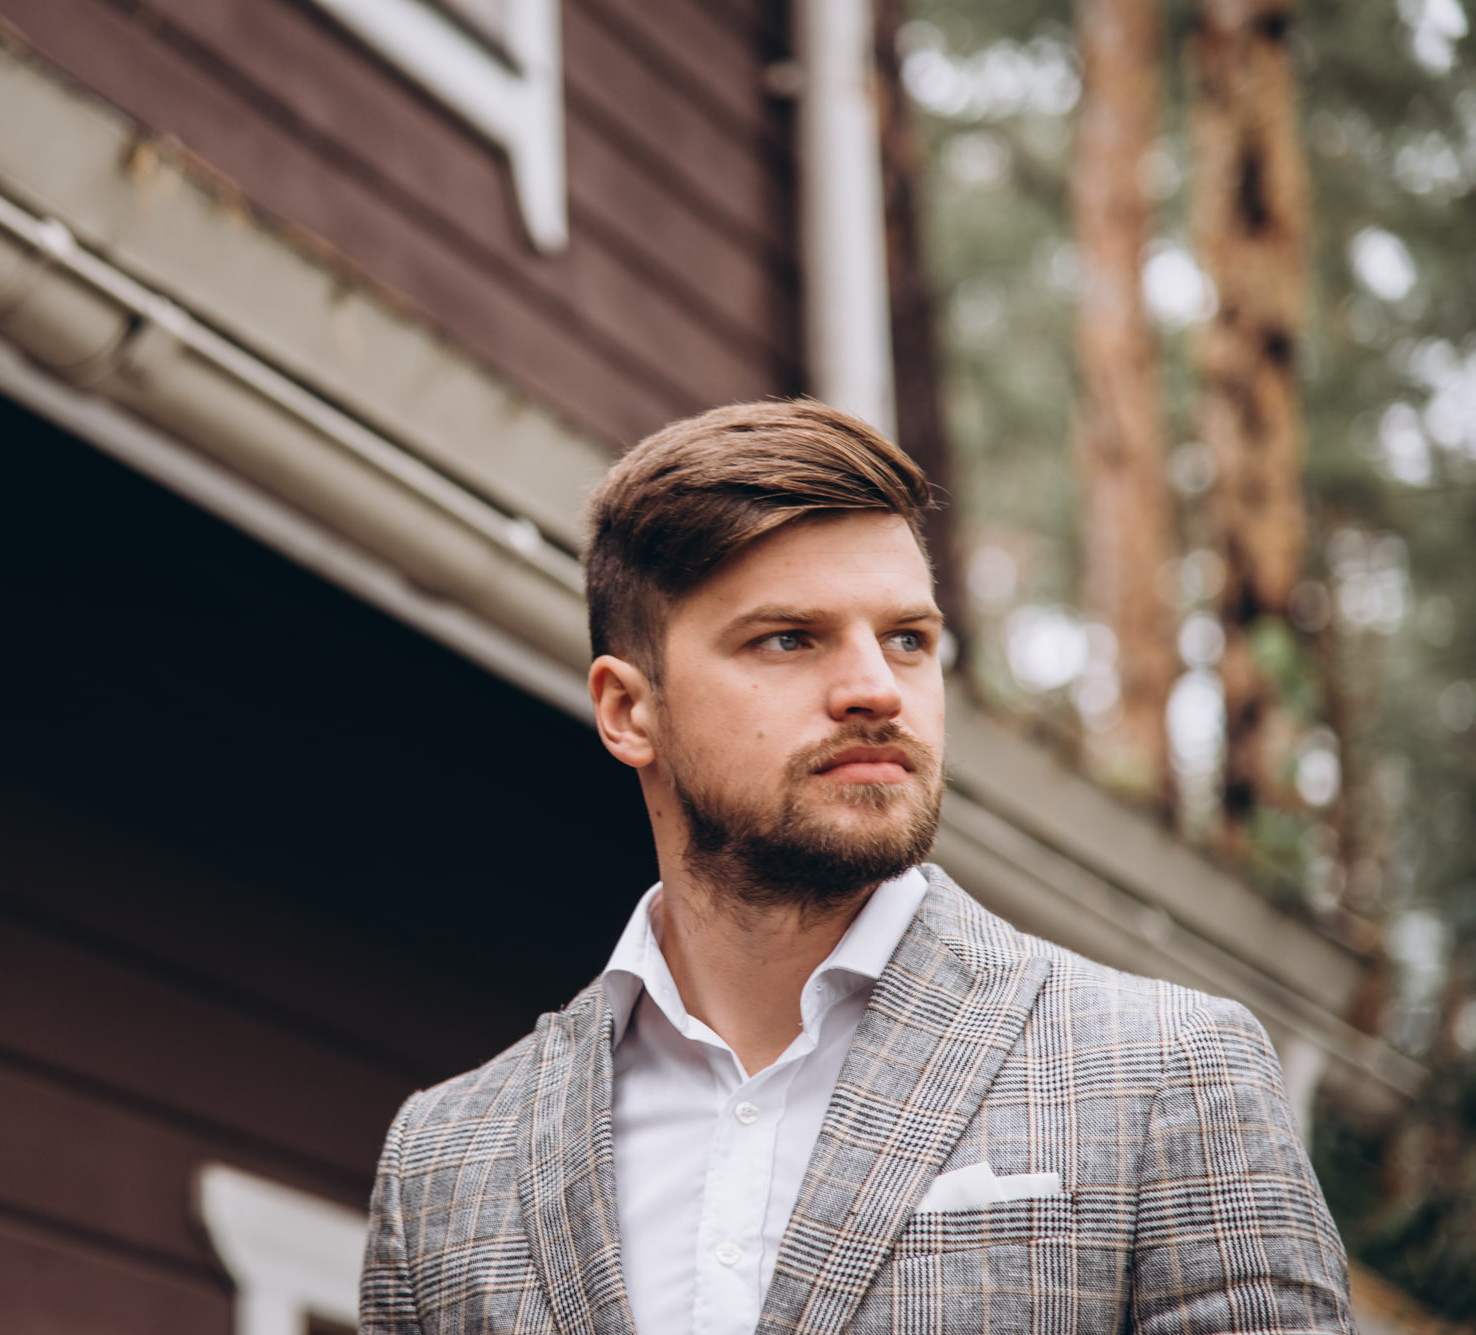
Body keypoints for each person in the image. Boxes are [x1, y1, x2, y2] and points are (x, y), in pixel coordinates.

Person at [358, 398, 1352, 1335]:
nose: (875, 690)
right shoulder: (446, 1164)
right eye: (788, 639)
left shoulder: (1166, 1072)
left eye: (907, 640)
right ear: (628, 710)